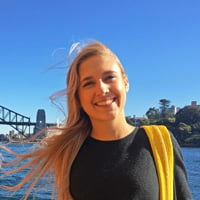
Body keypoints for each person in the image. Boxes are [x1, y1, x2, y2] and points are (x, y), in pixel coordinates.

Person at [0, 40, 192, 200]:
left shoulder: (160, 141)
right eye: (89, 83)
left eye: (109, 77)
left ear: (125, 83)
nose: (101, 89)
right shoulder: (68, 153)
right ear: (78, 96)